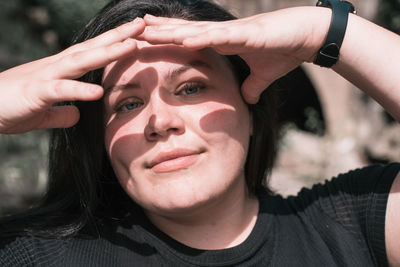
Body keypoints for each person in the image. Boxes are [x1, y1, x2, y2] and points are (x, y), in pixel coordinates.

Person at [0, 0, 399, 266]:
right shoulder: (34, 254)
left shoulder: (350, 229)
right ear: (101, 141)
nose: (160, 121)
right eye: (128, 104)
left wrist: (324, 29)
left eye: (191, 88)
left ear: (252, 108)